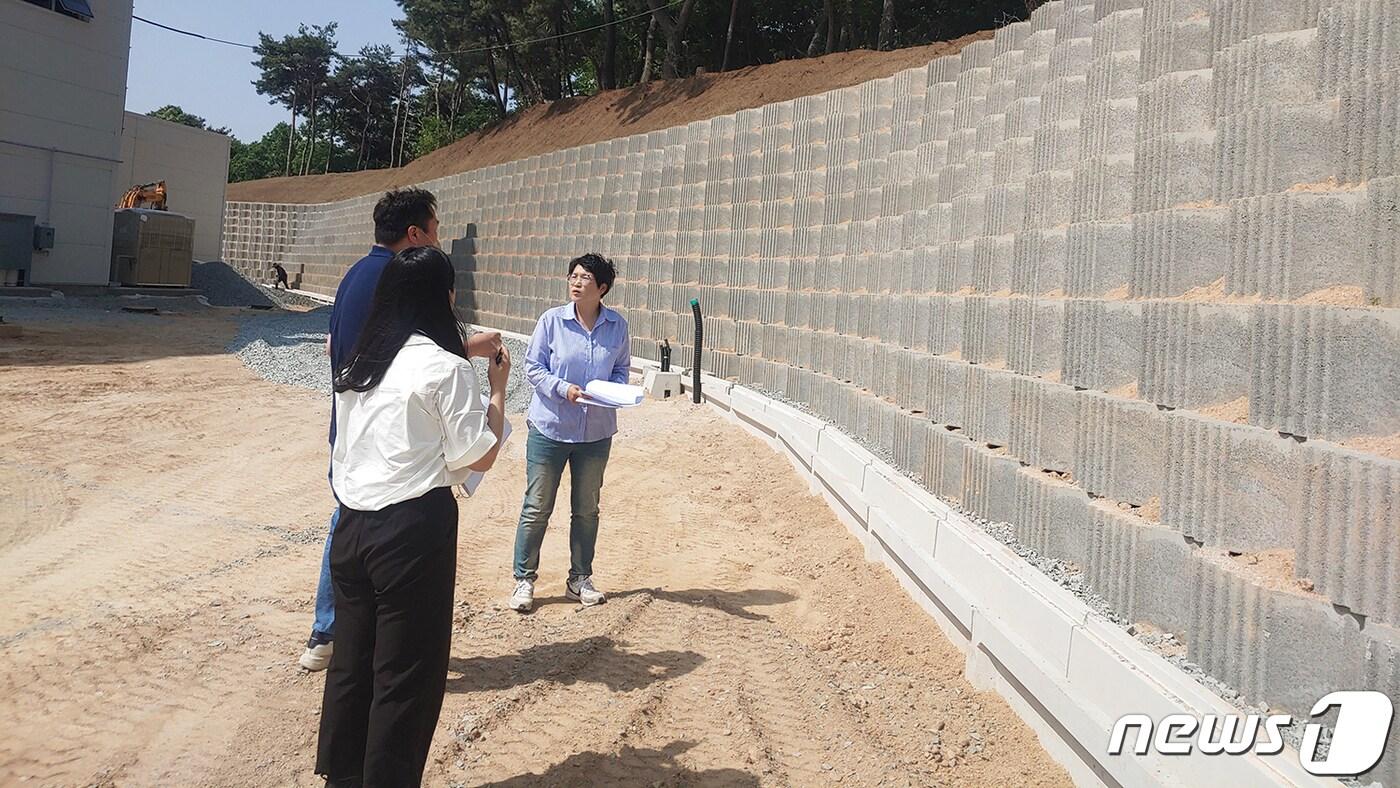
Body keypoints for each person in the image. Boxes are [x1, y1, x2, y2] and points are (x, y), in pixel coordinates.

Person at [316, 245, 509, 786]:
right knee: (406, 676)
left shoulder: (361, 361)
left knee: (353, 665)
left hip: (352, 527)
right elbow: (479, 454)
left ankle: (342, 776)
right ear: (443, 296)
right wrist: (497, 391)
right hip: (410, 531)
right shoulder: (445, 367)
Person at [299, 188, 502, 672]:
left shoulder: (356, 275)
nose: (437, 239)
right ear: (414, 234)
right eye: (434, 230)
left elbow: (345, 347)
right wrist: (473, 357)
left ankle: (335, 636)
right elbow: (409, 351)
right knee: (364, 530)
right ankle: (334, 633)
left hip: (357, 426)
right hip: (389, 440)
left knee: (350, 520)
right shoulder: (391, 279)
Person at [508, 253, 630, 613]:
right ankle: (524, 580)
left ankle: (580, 578)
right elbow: (533, 367)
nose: (576, 283)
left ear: (602, 288)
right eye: (573, 276)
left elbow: (622, 369)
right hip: (550, 428)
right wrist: (565, 390)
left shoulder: (617, 327)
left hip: (595, 433)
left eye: (585, 278)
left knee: (587, 509)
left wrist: (611, 392)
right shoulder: (551, 322)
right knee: (536, 507)